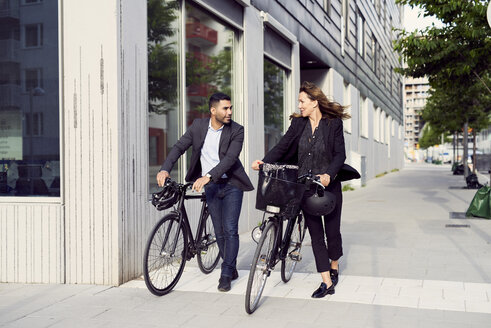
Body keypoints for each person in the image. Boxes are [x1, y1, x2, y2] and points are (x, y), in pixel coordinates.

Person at [252, 81, 350, 298]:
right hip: (304, 186)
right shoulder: (298, 124)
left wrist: (328, 175)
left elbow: (340, 155)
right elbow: (283, 146)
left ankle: (334, 265)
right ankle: (326, 281)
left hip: (328, 186)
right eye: (299, 102)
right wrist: (264, 162)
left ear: (315, 102)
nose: (300, 106)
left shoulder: (333, 124)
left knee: (332, 233)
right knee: (316, 234)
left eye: (302, 101)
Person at [157, 92, 254, 292]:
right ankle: (231, 264)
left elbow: (229, 159)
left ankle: (226, 272)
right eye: (225, 108)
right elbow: (179, 147)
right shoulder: (198, 127)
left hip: (231, 184)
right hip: (211, 187)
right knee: (218, 230)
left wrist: (207, 176)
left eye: (230, 107)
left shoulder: (237, 130)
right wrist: (165, 168)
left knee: (230, 229)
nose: (230, 112)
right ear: (213, 110)